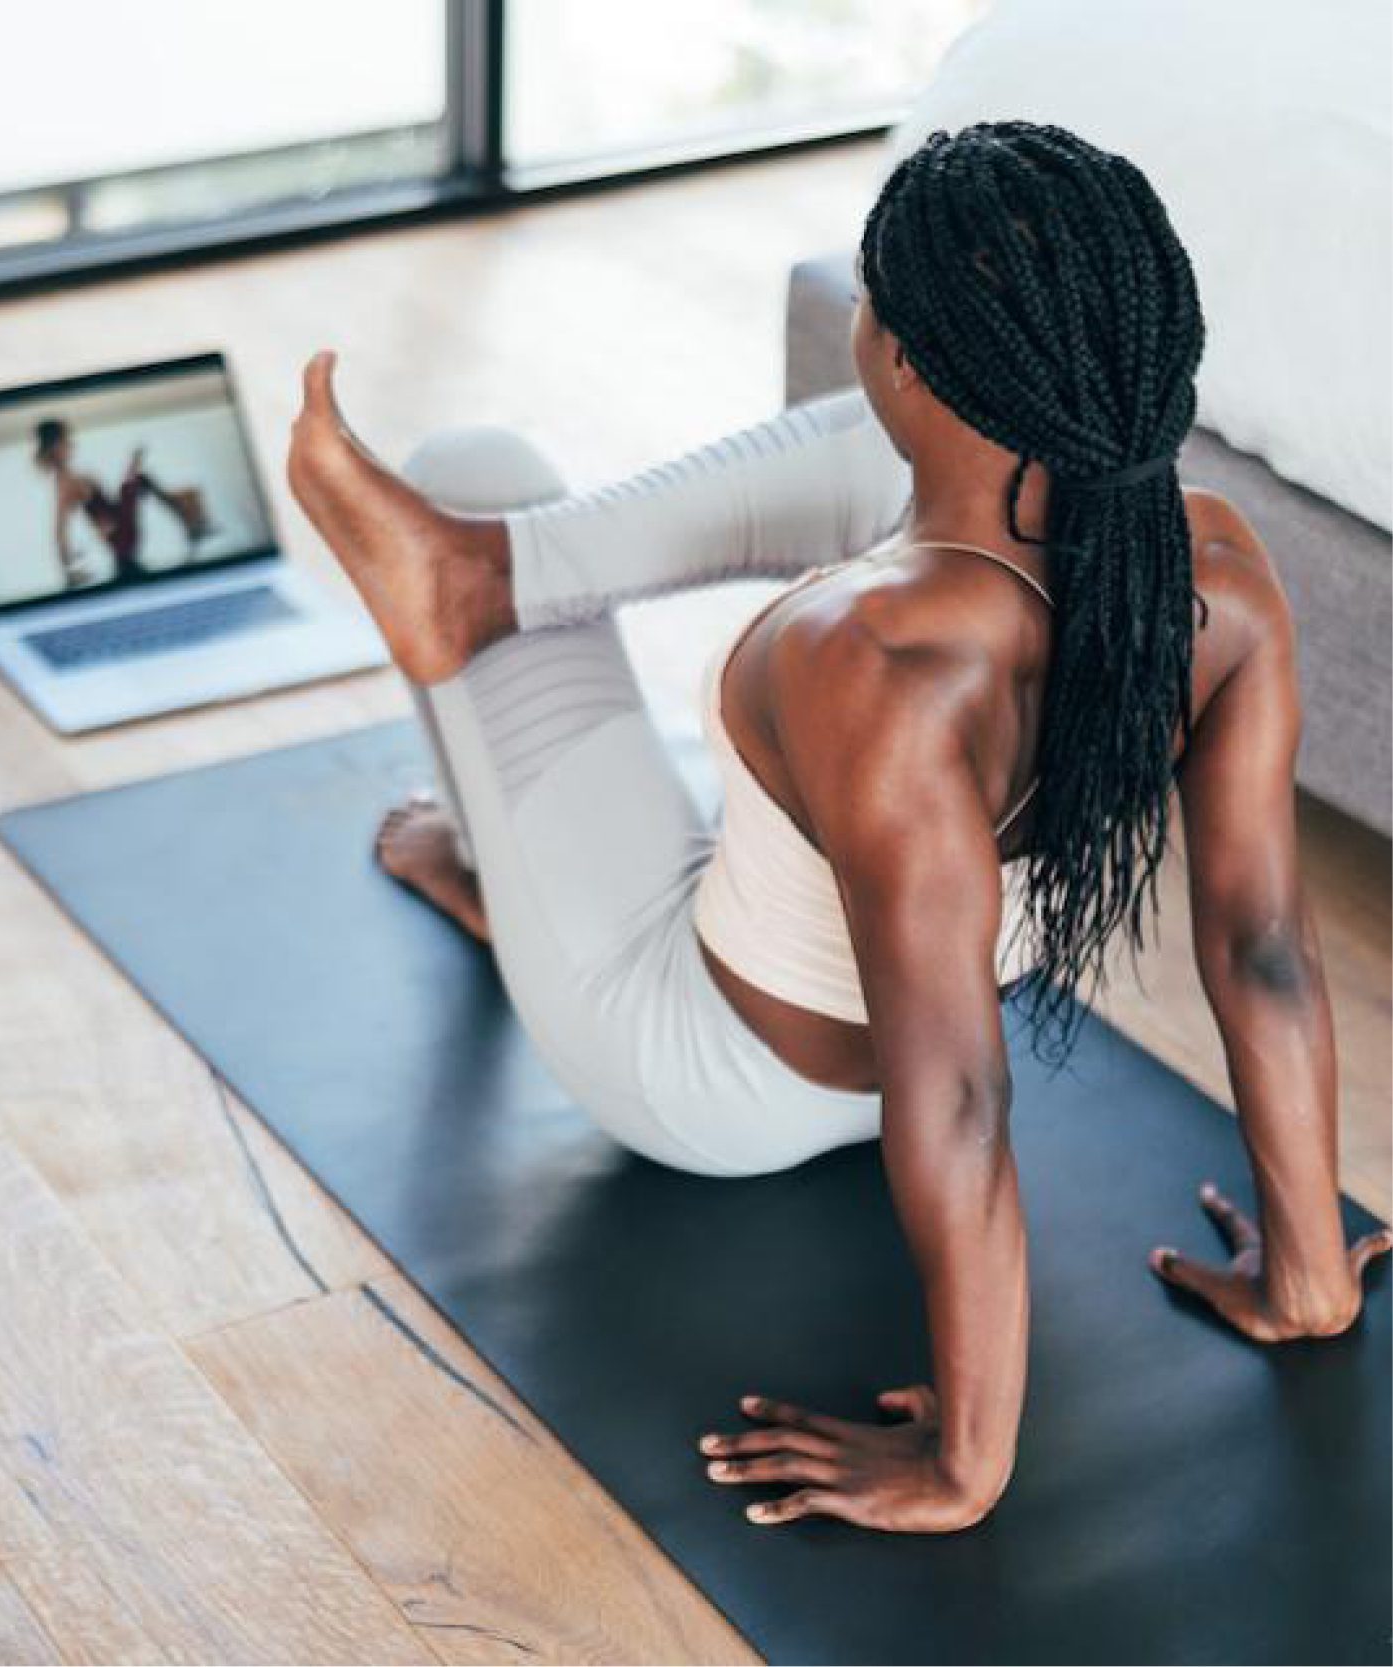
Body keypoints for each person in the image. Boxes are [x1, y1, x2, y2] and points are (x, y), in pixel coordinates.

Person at [285, 121, 1391, 1535]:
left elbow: (957, 1101)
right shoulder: (1214, 570)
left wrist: (964, 1463)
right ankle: (494, 747)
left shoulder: (870, 663)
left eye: (873, 301)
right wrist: (1307, 1270)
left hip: (692, 1063)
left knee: (474, 455)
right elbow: (1262, 948)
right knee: (869, 485)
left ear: (902, 356)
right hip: (906, 997)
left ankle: (477, 682)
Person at [32, 417, 211, 586]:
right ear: (56, 447)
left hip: (122, 536)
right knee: (138, 480)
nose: (73, 445)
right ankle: (188, 517)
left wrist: (131, 469)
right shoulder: (65, 484)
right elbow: (59, 529)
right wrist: (69, 571)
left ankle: (188, 518)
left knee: (139, 480)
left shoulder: (71, 478)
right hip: (122, 540)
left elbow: (112, 508)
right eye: (67, 440)